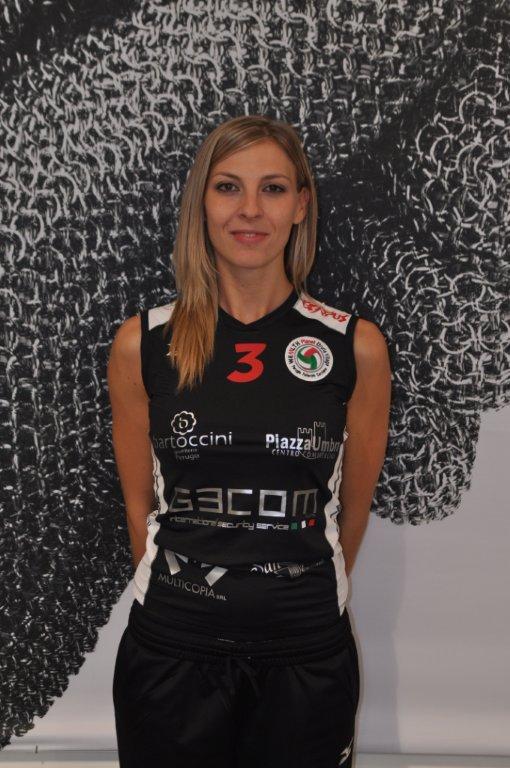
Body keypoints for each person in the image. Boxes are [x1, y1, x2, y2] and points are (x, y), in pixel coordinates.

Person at [107, 114, 391, 768]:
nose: (250, 211)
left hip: (306, 658)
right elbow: (138, 509)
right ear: (202, 202)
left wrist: (289, 596)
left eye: (273, 189)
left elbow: (352, 510)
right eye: (229, 187)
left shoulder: (355, 347)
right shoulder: (142, 343)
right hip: (171, 658)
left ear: (301, 205)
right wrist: (190, 607)